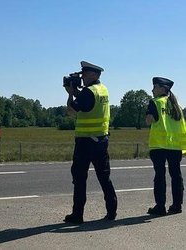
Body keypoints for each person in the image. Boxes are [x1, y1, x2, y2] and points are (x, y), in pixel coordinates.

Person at [63, 61, 117, 224]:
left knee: (79, 179)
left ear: (93, 74)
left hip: (86, 142)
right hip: (101, 140)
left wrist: (71, 93)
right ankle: (112, 211)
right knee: (104, 177)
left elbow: (71, 111)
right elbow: (89, 104)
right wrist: (78, 92)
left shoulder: (88, 92)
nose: (83, 78)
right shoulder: (102, 89)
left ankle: (77, 215)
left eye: (85, 74)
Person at [146, 77, 185, 216]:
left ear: (162, 88)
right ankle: (177, 205)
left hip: (159, 146)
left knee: (160, 176)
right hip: (175, 146)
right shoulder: (177, 106)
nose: (152, 90)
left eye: (155, 87)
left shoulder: (155, 103)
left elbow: (149, 120)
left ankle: (160, 207)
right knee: (176, 175)